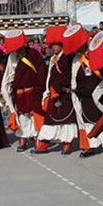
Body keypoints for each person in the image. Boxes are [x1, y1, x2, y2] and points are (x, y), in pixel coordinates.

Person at [34, 25, 78, 155]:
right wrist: (48, 91)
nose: (53, 47)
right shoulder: (54, 58)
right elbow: (50, 76)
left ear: (61, 44)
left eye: (55, 44)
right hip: (53, 94)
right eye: (52, 45)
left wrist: (58, 88)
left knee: (67, 122)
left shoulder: (67, 57)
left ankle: (67, 145)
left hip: (65, 93)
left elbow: (68, 76)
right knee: (49, 121)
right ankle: (43, 144)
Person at [73, 31, 103, 157]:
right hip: (84, 96)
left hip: (98, 94)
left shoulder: (96, 56)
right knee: (88, 122)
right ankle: (91, 146)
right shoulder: (77, 60)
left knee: (101, 121)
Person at [1, 30, 47, 152]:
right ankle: (23, 139)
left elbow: (42, 71)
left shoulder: (33, 54)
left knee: (34, 115)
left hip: (33, 90)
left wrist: (40, 88)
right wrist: (8, 89)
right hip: (19, 92)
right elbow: (9, 74)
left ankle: (38, 138)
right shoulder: (12, 57)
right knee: (21, 116)